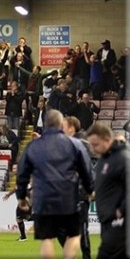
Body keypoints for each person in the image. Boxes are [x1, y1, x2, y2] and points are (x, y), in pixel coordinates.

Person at [16, 110, 94, 259]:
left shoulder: (33, 146)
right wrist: (90, 190)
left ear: (45, 124)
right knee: (74, 235)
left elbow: (22, 173)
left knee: (46, 239)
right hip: (68, 197)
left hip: (43, 198)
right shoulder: (75, 144)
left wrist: (21, 197)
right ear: (60, 124)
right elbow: (86, 170)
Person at [86, 122, 129, 259]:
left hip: (120, 225)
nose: (93, 149)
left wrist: (121, 210)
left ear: (106, 139)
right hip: (107, 223)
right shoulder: (105, 159)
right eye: (91, 145)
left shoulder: (122, 158)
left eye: (95, 144)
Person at [57, 116, 93, 259]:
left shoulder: (82, 142)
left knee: (81, 228)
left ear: (71, 128)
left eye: (63, 126)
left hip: (79, 193)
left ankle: (86, 256)